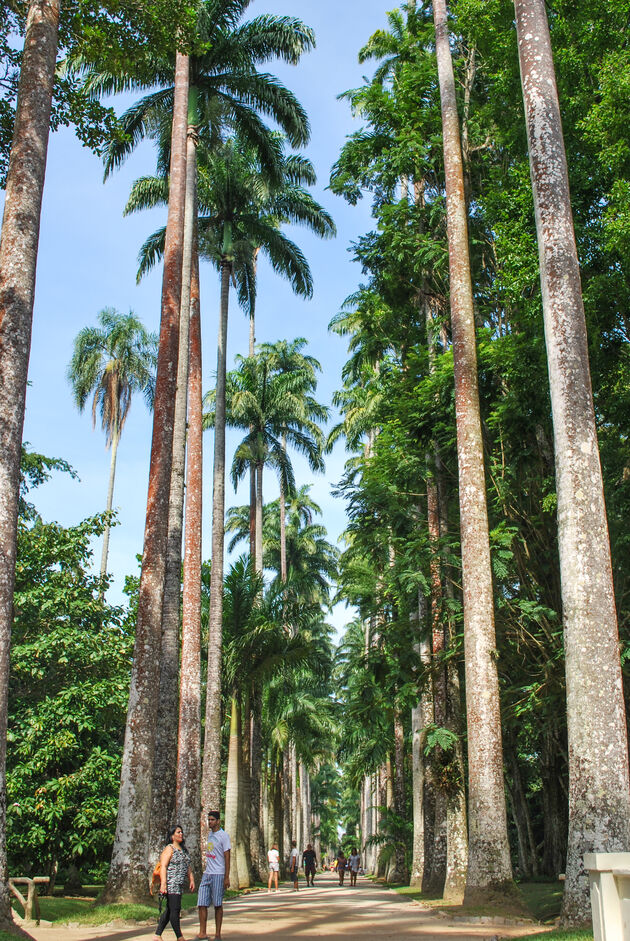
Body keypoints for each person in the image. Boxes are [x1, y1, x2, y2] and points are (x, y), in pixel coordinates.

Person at [153, 825, 194, 941]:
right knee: (175, 910)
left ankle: (157, 935)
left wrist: (191, 879)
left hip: (180, 884)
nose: (181, 834)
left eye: (181, 832)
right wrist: (163, 884)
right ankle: (179, 937)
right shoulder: (169, 849)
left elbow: (188, 866)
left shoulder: (183, 850)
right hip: (171, 884)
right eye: (178, 832)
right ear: (172, 836)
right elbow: (163, 867)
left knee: (170, 910)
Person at [197, 811, 231, 941]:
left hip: (218, 873)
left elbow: (227, 856)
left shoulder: (224, 836)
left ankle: (217, 934)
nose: (209, 822)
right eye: (208, 820)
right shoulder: (210, 835)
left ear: (218, 821)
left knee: (217, 904)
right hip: (207, 873)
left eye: (212, 820)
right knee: (201, 903)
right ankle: (202, 932)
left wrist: (226, 877)